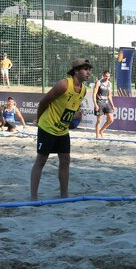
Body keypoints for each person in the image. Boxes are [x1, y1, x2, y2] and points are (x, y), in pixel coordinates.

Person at [30, 58, 93, 200]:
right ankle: (33, 197)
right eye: (85, 69)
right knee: (41, 160)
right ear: (76, 71)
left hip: (62, 130)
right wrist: (39, 119)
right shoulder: (64, 84)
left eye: (89, 69)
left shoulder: (83, 90)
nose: (88, 72)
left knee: (65, 160)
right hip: (47, 127)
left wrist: (77, 115)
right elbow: (44, 102)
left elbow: (71, 109)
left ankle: (64, 195)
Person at [92, 70, 116, 138]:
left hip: (106, 102)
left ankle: (101, 130)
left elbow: (110, 96)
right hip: (99, 102)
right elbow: (94, 94)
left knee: (111, 119)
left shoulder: (110, 84)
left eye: (108, 76)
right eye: (106, 76)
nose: (107, 78)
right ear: (103, 75)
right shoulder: (99, 82)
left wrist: (113, 105)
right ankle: (97, 137)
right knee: (99, 120)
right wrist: (95, 104)